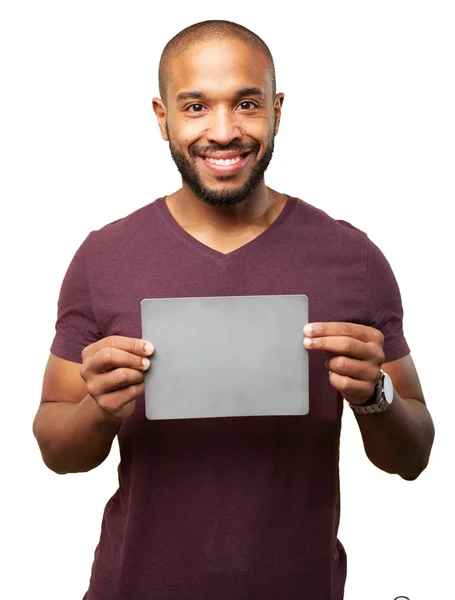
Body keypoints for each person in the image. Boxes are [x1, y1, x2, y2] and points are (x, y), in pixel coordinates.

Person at [33, 19, 435, 600]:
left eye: (246, 104)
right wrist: (99, 407)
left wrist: (376, 396)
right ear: (162, 116)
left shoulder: (353, 257)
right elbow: (55, 449)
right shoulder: (104, 257)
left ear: (276, 110)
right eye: (195, 107)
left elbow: (413, 456)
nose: (223, 132)